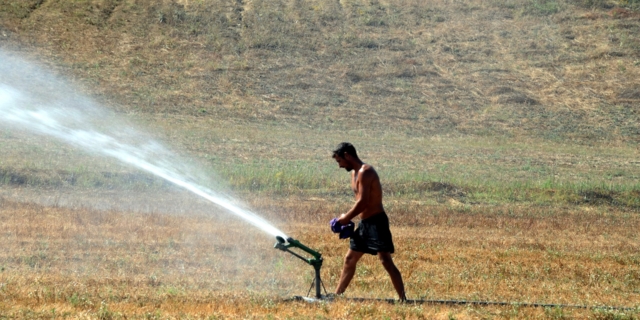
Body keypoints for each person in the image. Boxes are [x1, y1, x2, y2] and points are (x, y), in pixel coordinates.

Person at [331, 142, 406, 300]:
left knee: (385, 260)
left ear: (347, 155)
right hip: (365, 224)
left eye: (339, 161)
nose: (339, 166)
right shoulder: (353, 174)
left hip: (377, 222)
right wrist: (348, 217)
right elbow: (359, 202)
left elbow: (363, 202)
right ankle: (336, 297)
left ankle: (403, 299)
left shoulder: (366, 171)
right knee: (350, 259)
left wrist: (346, 218)